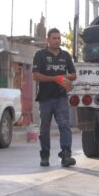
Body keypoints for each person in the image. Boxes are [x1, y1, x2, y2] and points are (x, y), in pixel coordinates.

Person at [32, 28, 77, 167]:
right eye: (54, 38)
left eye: (59, 38)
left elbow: (73, 75)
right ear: (48, 40)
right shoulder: (40, 55)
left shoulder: (65, 55)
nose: (57, 40)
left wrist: (65, 78)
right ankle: (44, 155)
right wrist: (55, 78)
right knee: (44, 128)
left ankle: (66, 155)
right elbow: (35, 75)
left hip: (61, 97)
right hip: (45, 98)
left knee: (64, 125)